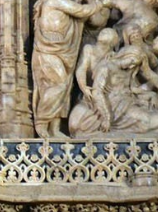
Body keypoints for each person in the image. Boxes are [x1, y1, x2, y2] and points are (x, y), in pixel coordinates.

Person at [31, 0, 104, 137]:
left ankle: (54, 128)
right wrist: (101, 3)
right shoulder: (53, 2)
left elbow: (97, 21)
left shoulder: (70, 7)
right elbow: (82, 11)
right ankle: (42, 122)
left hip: (64, 52)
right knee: (59, 85)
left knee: (64, 89)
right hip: (47, 51)